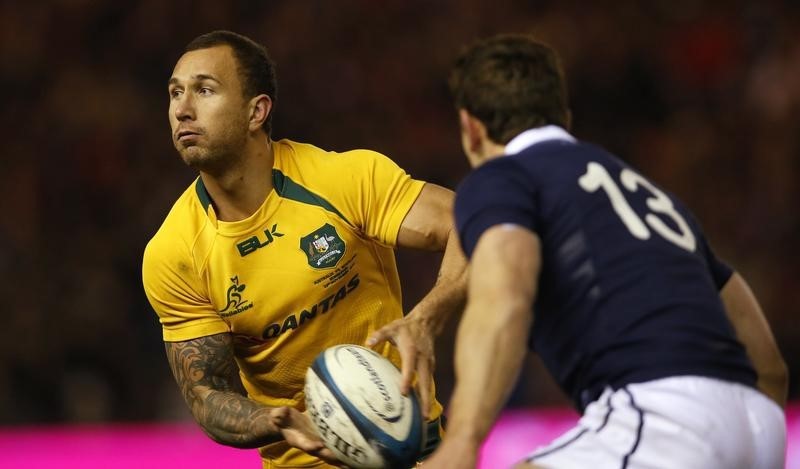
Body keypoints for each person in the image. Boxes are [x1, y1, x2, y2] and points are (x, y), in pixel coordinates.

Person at [424, 35, 787, 469]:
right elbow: (769, 365)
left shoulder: (504, 177)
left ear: (471, 127)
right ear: (563, 115)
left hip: (663, 415)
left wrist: (463, 440)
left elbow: (504, 300)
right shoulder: (645, 192)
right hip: (758, 423)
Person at [141, 30, 466, 468]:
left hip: (414, 447)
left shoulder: (342, 179)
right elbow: (207, 394)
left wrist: (426, 318)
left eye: (204, 90)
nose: (182, 109)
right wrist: (275, 420)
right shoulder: (173, 253)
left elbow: (471, 222)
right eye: (175, 92)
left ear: (257, 111)